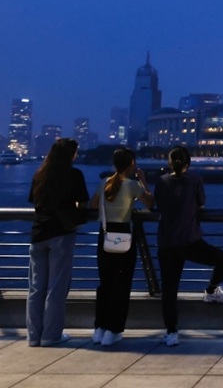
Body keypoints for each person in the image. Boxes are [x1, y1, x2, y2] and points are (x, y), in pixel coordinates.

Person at [155, 145, 223, 347]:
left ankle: (171, 333)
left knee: (169, 290)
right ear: (188, 163)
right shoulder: (195, 179)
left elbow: (160, 207)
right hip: (189, 240)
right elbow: (201, 204)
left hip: (166, 242)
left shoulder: (162, 181)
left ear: (169, 163)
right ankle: (211, 291)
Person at [26, 138, 89, 347]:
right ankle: (50, 336)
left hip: (38, 234)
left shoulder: (39, 174)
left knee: (36, 288)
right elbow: (83, 203)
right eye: (75, 152)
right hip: (61, 233)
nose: (77, 155)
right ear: (70, 154)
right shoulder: (74, 175)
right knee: (56, 287)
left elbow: (34, 201)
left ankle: (33, 336)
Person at [89, 148, 154, 347]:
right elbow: (150, 203)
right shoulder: (133, 185)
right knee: (121, 284)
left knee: (105, 283)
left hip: (105, 235)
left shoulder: (104, 183)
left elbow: (92, 206)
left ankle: (99, 329)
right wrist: (143, 181)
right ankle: (113, 331)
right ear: (132, 163)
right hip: (124, 235)